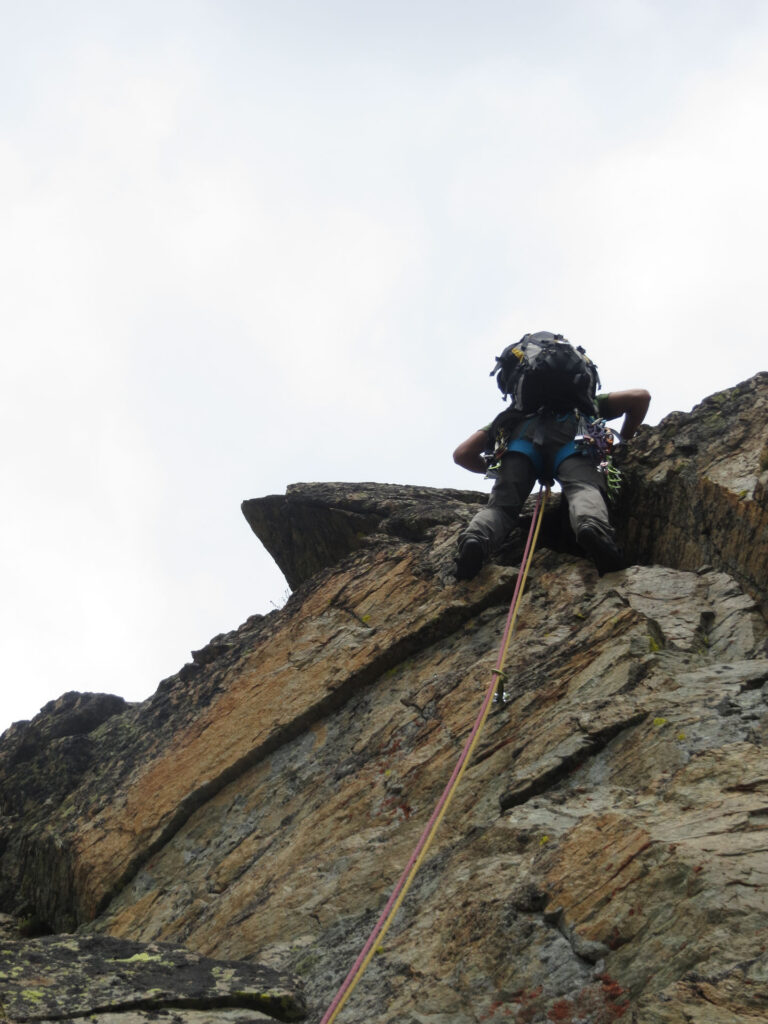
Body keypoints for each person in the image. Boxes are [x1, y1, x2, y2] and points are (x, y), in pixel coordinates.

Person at [453, 344, 650, 580]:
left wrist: (497, 467)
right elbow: (641, 397)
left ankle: (475, 539)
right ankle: (591, 527)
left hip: (518, 444)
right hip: (576, 435)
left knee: (501, 509)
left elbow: (462, 454)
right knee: (583, 488)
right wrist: (625, 441)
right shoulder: (587, 403)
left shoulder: (512, 417)